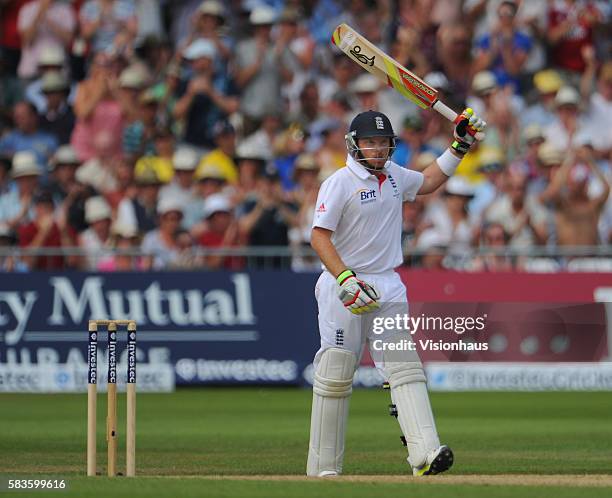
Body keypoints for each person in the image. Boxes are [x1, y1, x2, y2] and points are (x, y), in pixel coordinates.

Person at [307, 108, 485, 477]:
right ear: (354, 144)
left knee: (404, 366)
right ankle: (323, 468)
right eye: (370, 142)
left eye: (383, 143)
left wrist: (461, 143)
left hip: (387, 283)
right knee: (337, 371)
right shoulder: (339, 182)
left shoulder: (393, 177)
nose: (377, 149)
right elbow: (318, 236)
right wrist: (345, 278)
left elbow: (431, 180)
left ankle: (424, 454)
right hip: (345, 286)